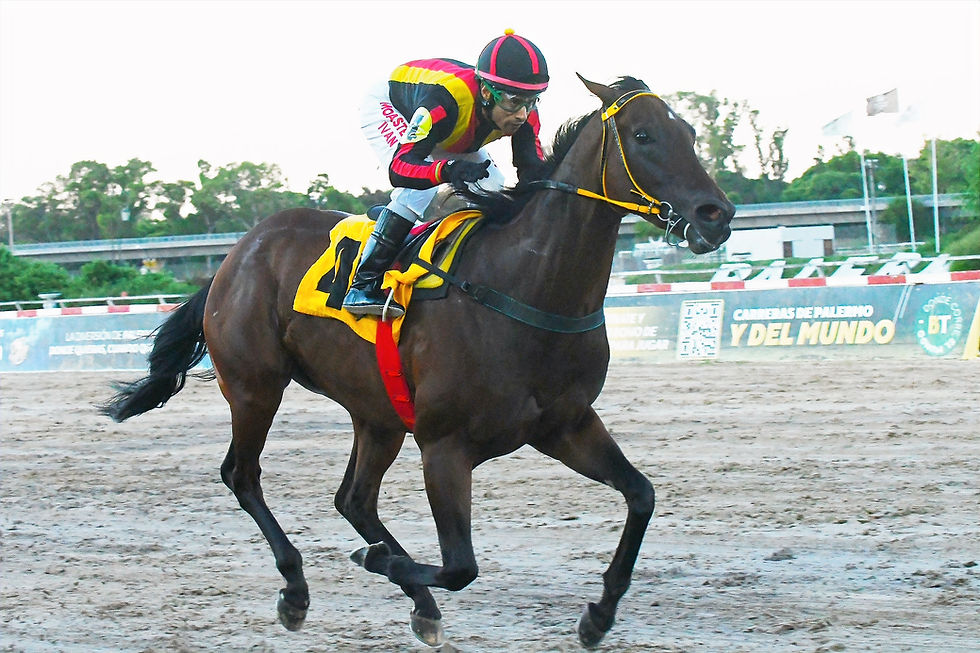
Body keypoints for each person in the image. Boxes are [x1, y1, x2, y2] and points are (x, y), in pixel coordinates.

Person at [343, 29, 550, 318]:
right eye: (514, 101)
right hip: (393, 107)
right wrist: (448, 169)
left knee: (493, 184)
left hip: (451, 129)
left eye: (532, 101)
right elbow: (400, 169)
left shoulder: (525, 112)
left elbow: (532, 174)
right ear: (487, 92)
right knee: (419, 189)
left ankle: (418, 230)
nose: (521, 115)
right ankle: (362, 285)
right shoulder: (444, 103)